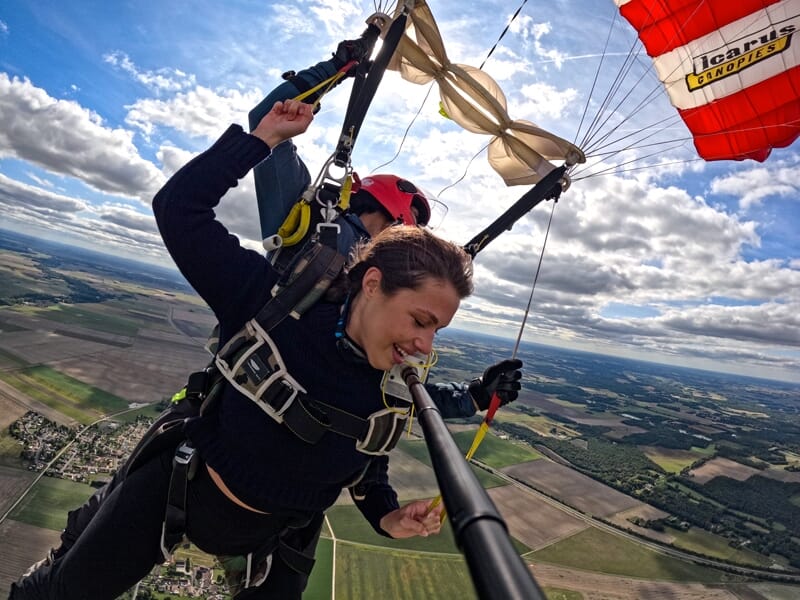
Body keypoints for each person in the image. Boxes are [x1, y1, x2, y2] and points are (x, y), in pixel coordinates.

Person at [8, 100, 499, 600]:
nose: (424, 345)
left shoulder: (393, 379)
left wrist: (386, 517)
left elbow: (365, 461)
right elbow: (179, 210)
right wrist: (260, 140)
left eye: (437, 331)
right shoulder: (271, 303)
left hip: (282, 534)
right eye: (421, 321)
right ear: (372, 284)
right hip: (184, 482)